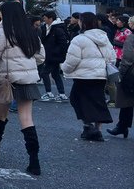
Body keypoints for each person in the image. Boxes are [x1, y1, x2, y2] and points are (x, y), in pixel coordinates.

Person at [0, 0, 45, 174]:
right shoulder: (30, 31)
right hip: (28, 80)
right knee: (26, 118)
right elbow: (40, 56)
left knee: (0, 115)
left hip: (8, 80)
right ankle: (34, 161)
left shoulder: (3, 31)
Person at [60, 12, 114, 141]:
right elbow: (112, 57)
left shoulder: (79, 39)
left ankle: (87, 125)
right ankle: (97, 130)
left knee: (76, 99)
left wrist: (64, 69)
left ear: (83, 23)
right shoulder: (104, 37)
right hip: (100, 76)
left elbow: (72, 60)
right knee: (98, 101)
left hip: (83, 76)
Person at [111, 16, 134, 138]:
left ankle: (122, 126)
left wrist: (121, 74)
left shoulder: (131, 38)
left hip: (130, 73)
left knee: (127, 101)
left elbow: (128, 58)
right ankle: (122, 126)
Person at [39, 10, 69, 102]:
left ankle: (49, 93)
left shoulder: (57, 29)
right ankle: (62, 94)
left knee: (44, 73)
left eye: (45, 18)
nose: (44, 20)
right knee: (55, 75)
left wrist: (56, 52)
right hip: (50, 55)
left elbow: (63, 43)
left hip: (54, 56)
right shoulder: (46, 27)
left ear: (50, 18)